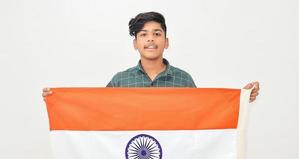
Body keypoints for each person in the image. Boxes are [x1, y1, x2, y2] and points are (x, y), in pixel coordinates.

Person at [43, 12, 259, 101]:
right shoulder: (120, 80)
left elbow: (203, 112)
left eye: (157, 34)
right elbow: (97, 109)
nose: (150, 40)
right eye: (143, 35)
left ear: (166, 41)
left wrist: (241, 99)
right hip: (131, 158)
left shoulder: (183, 79)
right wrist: (59, 99)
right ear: (135, 43)